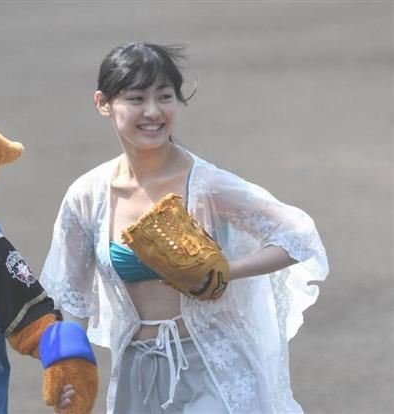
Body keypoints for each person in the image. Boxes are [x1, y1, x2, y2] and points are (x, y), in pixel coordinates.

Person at [40, 42, 328, 414]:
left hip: (213, 369)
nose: (153, 111)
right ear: (103, 103)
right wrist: (72, 368)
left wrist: (225, 270)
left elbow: (297, 236)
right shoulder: (87, 195)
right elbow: (73, 296)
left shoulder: (207, 185)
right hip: (138, 374)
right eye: (136, 98)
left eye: (165, 97)